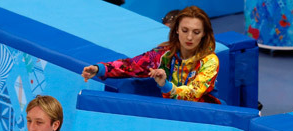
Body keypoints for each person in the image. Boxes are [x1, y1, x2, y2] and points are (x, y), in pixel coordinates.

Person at [81, 6, 221, 104]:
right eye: (185, 30)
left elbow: (192, 94)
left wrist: (165, 86)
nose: (189, 37)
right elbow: (131, 65)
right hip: (171, 111)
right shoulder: (164, 54)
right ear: (176, 30)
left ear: (204, 34)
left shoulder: (209, 61)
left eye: (196, 32)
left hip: (204, 117)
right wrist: (100, 69)